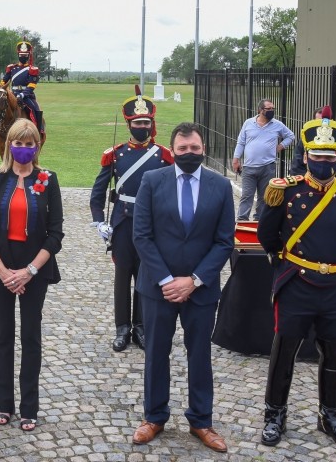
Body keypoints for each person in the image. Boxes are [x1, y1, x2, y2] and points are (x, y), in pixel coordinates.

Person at [257, 108, 336, 449]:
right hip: (297, 282)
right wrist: (288, 264)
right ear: (306, 156)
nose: (323, 161)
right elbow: (268, 236)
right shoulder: (286, 191)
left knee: (334, 354)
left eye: (330, 156)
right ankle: (274, 413)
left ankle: (330, 414)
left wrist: (333, 265)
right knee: (284, 351)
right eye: (318, 155)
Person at [131, 122, 235, 452]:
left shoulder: (221, 186)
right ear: (172, 150)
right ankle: (154, 416)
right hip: (158, 287)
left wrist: (193, 280)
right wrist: (167, 280)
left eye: (194, 148)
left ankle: (201, 421)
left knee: (200, 355)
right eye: (182, 149)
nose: (188, 153)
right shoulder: (152, 181)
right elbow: (142, 236)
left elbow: (224, 241)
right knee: (156, 353)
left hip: (200, 288)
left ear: (203, 148)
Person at [0, 119, 64, 432]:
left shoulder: (48, 180)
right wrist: (2, 271)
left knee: (30, 337)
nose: (24, 149)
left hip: (34, 269)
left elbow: (55, 235)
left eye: (29, 144)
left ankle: (29, 407)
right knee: (4, 335)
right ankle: (3, 404)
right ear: (9, 145)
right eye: (19, 143)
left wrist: (28, 272)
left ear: (36, 146)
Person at [89, 88, 173, 352]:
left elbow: (171, 192)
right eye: (137, 123)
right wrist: (99, 221)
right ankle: (122, 328)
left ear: (152, 124)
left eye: (146, 123)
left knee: (146, 276)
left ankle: (141, 327)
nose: (142, 127)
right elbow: (98, 191)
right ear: (129, 124)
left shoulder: (163, 155)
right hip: (123, 222)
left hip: (151, 224)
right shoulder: (115, 153)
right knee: (123, 275)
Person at [232, 99, 296, 221]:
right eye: (268, 109)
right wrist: (236, 159)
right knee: (247, 196)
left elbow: (290, 136)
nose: (272, 111)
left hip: (268, 167)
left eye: (273, 109)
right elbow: (241, 142)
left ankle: (259, 221)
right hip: (249, 167)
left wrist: (280, 147)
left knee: (263, 197)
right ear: (260, 110)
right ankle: (241, 221)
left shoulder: (277, 124)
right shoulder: (248, 123)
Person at [0, 42, 43, 143]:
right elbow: (4, 81)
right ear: (18, 55)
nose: (23, 57)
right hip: (12, 94)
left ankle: (39, 132)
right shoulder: (12, 68)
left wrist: (22, 94)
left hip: (27, 96)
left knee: (35, 109)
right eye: (21, 55)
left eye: (25, 55)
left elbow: (32, 85)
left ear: (28, 56)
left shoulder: (32, 69)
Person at [288, 107, 325, 177]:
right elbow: (297, 164)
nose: (322, 124)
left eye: (325, 121)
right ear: (313, 122)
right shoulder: (305, 139)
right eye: (319, 121)